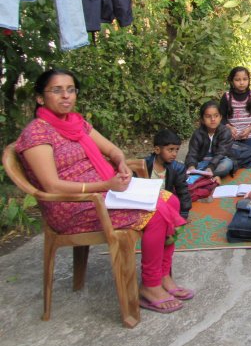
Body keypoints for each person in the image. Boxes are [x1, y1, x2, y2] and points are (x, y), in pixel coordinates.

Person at [15, 69, 191, 314]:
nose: (66, 96)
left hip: (104, 194)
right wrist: (105, 186)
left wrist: (120, 164)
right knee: (158, 213)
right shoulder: (37, 133)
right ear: (40, 98)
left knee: (170, 201)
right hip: (72, 206)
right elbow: (52, 185)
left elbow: (113, 150)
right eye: (57, 90)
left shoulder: (76, 123)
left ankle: (162, 275)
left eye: (71, 89)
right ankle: (150, 285)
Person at [219, 66, 251, 169]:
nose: (241, 82)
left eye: (245, 79)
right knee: (225, 151)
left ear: (248, 80)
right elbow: (222, 118)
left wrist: (248, 130)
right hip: (232, 136)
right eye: (237, 80)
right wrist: (229, 128)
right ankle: (239, 161)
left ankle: (235, 162)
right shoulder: (226, 96)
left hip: (250, 135)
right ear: (232, 81)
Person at [145, 129, 192, 219]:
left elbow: (183, 192)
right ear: (157, 150)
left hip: (164, 201)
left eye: (176, 150)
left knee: (173, 205)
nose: (174, 154)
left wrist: (184, 214)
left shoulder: (178, 168)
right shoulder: (145, 165)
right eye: (170, 150)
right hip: (146, 201)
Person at [185, 101, 235, 183]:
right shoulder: (198, 133)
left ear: (221, 117)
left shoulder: (225, 131)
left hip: (218, 162)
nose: (213, 119)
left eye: (216, 116)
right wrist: (191, 166)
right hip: (201, 162)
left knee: (227, 164)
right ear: (202, 119)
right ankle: (208, 175)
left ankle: (203, 175)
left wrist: (210, 167)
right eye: (208, 116)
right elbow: (192, 153)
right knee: (184, 165)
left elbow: (221, 153)